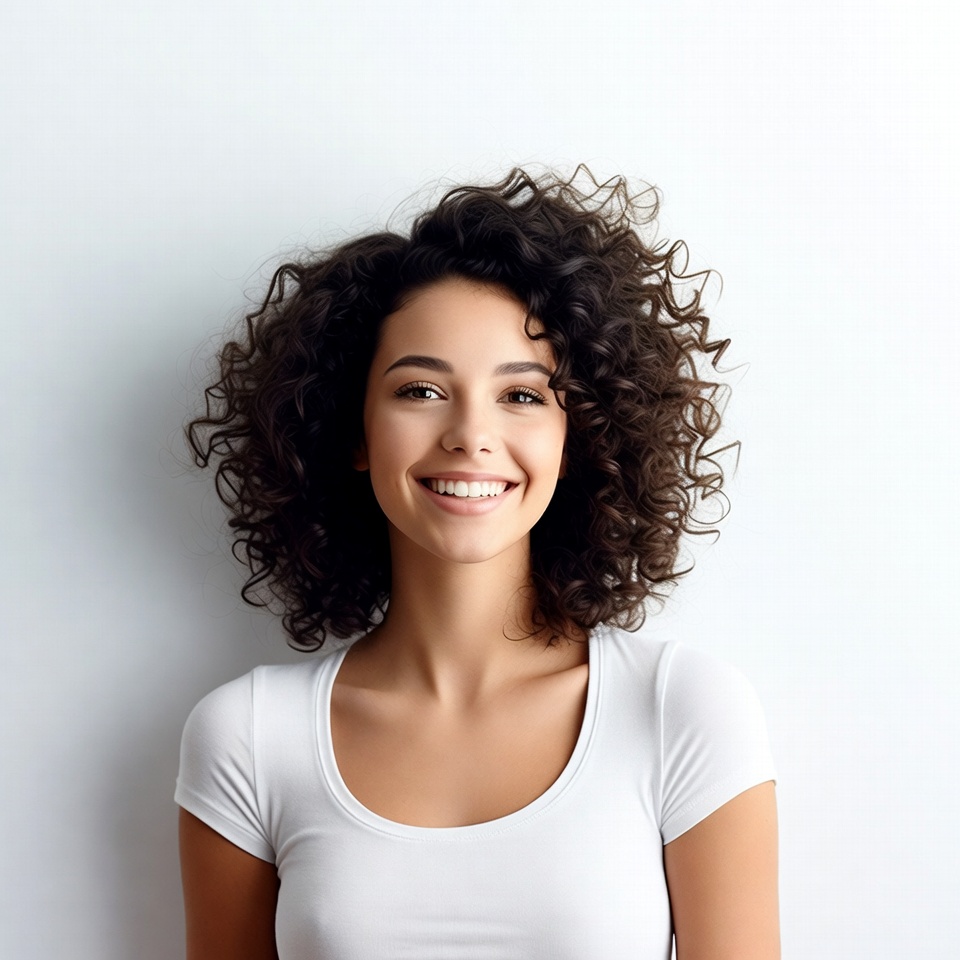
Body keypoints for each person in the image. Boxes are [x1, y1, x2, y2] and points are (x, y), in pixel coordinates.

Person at [176, 168, 779, 960]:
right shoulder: (249, 737)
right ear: (353, 433)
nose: (470, 434)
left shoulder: (680, 712)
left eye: (523, 396)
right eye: (421, 390)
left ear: (578, 437)